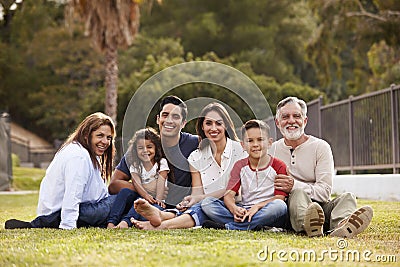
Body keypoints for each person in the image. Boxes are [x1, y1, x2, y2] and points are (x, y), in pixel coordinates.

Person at [131, 102, 248, 230]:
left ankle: (162, 222)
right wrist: (190, 200)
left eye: (218, 123)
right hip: (211, 207)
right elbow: (197, 191)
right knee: (200, 206)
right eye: (208, 123)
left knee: (206, 205)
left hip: (238, 205)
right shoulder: (196, 156)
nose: (213, 128)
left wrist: (201, 198)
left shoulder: (241, 151)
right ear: (202, 127)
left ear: (225, 125)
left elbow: (236, 190)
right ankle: (162, 216)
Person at [270, 96, 373, 238]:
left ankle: (341, 227)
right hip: (290, 211)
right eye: (285, 117)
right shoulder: (271, 150)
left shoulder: (321, 147)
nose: (291, 121)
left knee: (348, 197)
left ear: (304, 121)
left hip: (322, 209)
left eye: (297, 116)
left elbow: (324, 192)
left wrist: (294, 184)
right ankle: (308, 226)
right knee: (298, 194)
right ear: (278, 122)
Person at [5, 112, 117, 229]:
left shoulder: (85, 152)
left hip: (66, 213)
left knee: (121, 202)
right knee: (126, 196)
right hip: (60, 214)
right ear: (86, 135)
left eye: (109, 138)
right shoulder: (79, 156)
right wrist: (68, 225)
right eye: (100, 136)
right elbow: (73, 193)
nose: (105, 142)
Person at [108, 95, 198, 221]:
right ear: (158, 119)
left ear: (183, 123)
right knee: (103, 209)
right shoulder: (143, 147)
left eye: (175, 116)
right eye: (165, 115)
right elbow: (113, 184)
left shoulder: (194, 143)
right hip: (138, 200)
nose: (169, 120)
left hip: (169, 209)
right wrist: (146, 189)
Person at [201, 120, 288, 230]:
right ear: (243, 145)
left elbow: (279, 198)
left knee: (280, 206)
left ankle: (230, 227)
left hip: (267, 211)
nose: (255, 144)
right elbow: (228, 195)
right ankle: (253, 226)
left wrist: (257, 207)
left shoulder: (279, 166)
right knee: (207, 203)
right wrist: (234, 209)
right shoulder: (240, 166)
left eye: (260, 140)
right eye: (250, 141)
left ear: (269, 142)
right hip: (245, 210)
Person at [107, 127, 170, 228]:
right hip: (141, 194)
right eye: (140, 148)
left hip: (156, 200)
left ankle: (126, 222)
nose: (145, 150)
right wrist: (145, 195)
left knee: (143, 205)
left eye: (149, 147)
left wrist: (159, 198)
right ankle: (111, 222)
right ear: (135, 150)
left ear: (156, 148)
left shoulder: (161, 163)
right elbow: (136, 183)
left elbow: (161, 181)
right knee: (125, 192)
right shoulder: (135, 165)